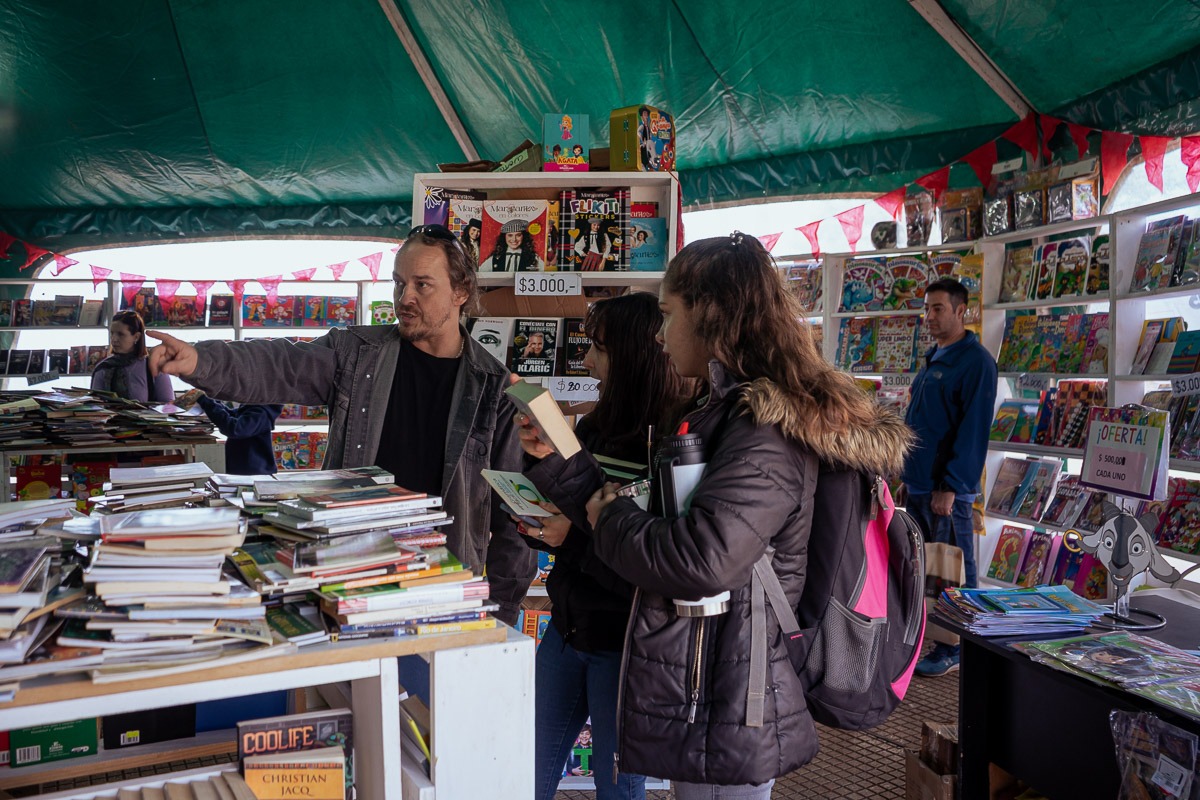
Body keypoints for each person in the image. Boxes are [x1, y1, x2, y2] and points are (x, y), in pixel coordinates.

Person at [581, 233, 911, 796]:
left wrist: (608, 521)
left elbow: (703, 559)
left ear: (710, 313)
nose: (659, 334)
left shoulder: (762, 430)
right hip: (726, 674)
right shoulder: (733, 411)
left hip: (734, 688)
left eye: (668, 314)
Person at [146, 224, 535, 624]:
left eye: (422, 285)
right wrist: (201, 361)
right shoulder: (356, 355)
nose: (405, 298)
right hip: (350, 572)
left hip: (443, 589)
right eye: (399, 283)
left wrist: (500, 617)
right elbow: (282, 364)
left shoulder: (495, 390)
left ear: (461, 291)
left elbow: (513, 518)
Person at [513, 293, 696, 800]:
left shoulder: (672, 442)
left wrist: (571, 538)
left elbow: (655, 565)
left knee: (618, 788)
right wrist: (535, 476)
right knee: (522, 772)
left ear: (634, 355)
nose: (587, 362)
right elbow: (575, 508)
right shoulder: (594, 426)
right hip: (566, 630)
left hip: (627, 646)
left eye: (599, 348)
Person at [904, 277, 997, 678]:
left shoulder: (976, 362)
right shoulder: (934, 357)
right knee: (927, 568)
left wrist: (952, 486)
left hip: (946, 490)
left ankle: (957, 646)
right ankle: (935, 639)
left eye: (938, 308)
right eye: (927, 309)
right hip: (918, 483)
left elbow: (972, 431)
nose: (929, 316)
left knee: (953, 567)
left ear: (961, 311)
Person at [91, 310, 175, 403]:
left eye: (120, 334)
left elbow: (168, 404)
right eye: (112, 333)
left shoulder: (153, 366)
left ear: (136, 337)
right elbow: (95, 405)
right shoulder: (103, 368)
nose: (114, 339)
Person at [195, 395, 284, 475]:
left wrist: (207, 402)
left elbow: (234, 429)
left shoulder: (261, 413)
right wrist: (211, 400)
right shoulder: (252, 408)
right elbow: (230, 415)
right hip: (244, 471)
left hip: (253, 475)